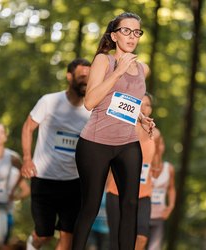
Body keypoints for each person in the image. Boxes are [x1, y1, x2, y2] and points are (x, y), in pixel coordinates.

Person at [72, 12, 155, 250]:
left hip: (127, 143)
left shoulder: (142, 69)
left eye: (136, 32)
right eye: (126, 31)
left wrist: (140, 117)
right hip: (95, 144)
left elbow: (123, 101)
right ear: (114, 35)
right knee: (90, 207)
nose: (132, 36)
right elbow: (90, 102)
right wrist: (118, 71)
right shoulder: (103, 61)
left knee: (130, 205)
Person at [21, 58, 91, 250]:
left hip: (74, 182)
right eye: (82, 76)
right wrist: (27, 159)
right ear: (69, 77)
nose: (86, 80)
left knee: (68, 236)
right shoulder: (49, 101)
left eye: (89, 76)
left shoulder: (92, 109)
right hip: (44, 178)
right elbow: (28, 128)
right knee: (44, 234)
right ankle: (32, 244)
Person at [106, 92, 160, 250]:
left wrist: (156, 170)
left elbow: (156, 161)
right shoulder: (122, 129)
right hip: (117, 192)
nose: (144, 107)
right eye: (140, 104)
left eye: (148, 105)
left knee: (142, 236)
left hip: (143, 194)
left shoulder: (155, 134)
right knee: (116, 242)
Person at [148, 135, 176, 250]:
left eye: (161, 144)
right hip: (142, 215)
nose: (159, 147)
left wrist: (170, 206)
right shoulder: (143, 166)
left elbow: (171, 188)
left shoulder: (168, 168)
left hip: (159, 216)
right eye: (156, 144)